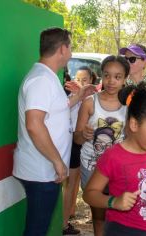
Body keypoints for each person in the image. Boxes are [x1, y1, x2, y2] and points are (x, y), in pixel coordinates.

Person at [12, 27, 95, 236]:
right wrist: (57, 161)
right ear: (62, 49)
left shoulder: (48, 77)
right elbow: (34, 124)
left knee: (38, 226)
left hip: (45, 169)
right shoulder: (41, 80)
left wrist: (78, 96)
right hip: (42, 170)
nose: (72, 53)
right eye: (71, 47)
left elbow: (55, 109)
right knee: (37, 229)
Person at [83, 82, 146, 236]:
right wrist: (113, 202)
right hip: (120, 230)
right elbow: (89, 194)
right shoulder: (113, 156)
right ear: (134, 124)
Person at [74, 55, 129, 236]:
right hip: (92, 166)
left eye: (117, 77)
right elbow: (77, 139)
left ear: (124, 79)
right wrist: (83, 134)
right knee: (98, 216)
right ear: (101, 76)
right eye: (107, 75)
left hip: (119, 168)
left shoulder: (129, 105)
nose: (111, 81)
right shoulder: (90, 102)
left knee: (120, 214)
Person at [62, 66, 97, 235]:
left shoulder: (94, 100)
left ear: (92, 81)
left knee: (77, 183)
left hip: (87, 144)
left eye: (85, 80)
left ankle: (70, 214)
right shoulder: (71, 97)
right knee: (70, 183)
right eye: (78, 79)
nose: (80, 83)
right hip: (73, 143)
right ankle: (64, 222)